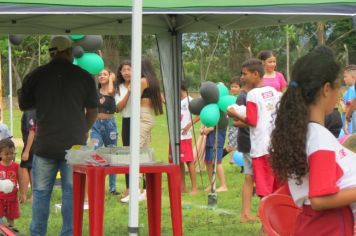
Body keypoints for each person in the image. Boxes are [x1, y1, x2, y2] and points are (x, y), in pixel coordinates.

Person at [269, 46, 356, 235]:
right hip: (328, 227)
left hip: (312, 225)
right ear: (326, 89)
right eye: (338, 86)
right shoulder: (318, 138)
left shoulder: (302, 132)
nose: (340, 93)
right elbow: (319, 199)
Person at [18, 35, 98, 236]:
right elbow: (93, 110)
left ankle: (37, 234)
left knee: (41, 194)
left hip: (45, 144)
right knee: (71, 195)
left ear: (51, 53)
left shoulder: (36, 75)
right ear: (69, 52)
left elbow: (24, 104)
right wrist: (84, 129)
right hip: (75, 146)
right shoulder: (84, 76)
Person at [227, 58, 280, 198]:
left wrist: (234, 113)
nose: (242, 78)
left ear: (255, 74)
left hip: (261, 148)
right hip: (275, 146)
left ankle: (266, 219)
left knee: (264, 192)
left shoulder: (252, 94)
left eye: (245, 74)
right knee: (276, 188)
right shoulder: (274, 91)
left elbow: (252, 120)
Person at [120, 58, 163, 203]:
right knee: (143, 153)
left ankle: (135, 190)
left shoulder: (142, 81)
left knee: (135, 152)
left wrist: (131, 88)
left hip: (142, 117)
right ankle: (144, 190)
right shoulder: (152, 80)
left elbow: (135, 97)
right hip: (147, 116)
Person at [228, 77, 258, 223]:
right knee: (251, 177)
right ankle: (246, 214)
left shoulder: (255, 93)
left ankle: (249, 213)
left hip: (255, 141)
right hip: (249, 141)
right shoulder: (243, 96)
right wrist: (255, 123)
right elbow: (236, 121)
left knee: (251, 177)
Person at [90, 68, 119, 195]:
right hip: (96, 125)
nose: (101, 76)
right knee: (95, 150)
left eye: (105, 74)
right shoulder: (95, 92)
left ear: (110, 77)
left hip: (110, 125)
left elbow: (111, 91)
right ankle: (95, 184)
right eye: (100, 74)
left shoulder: (113, 90)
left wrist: (112, 80)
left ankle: (112, 188)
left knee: (111, 154)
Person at [171, 81, 198, 195]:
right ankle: (183, 187)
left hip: (185, 137)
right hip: (175, 135)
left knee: (188, 161)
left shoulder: (190, 101)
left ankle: (194, 188)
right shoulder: (177, 101)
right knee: (179, 161)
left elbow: (200, 114)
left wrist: (188, 125)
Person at [115, 60, 132, 199]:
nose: (126, 72)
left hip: (140, 120)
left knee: (142, 153)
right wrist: (129, 92)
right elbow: (118, 107)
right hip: (127, 120)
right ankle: (129, 188)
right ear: (120, 73)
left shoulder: (142, 83)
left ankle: (143, 188)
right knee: (128, 154)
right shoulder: (119, 87)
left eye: (129, 69)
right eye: (124, 70)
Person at [0, 138, 24, 227]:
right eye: (6, 154)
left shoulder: (16, 166)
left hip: (12, 199)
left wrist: (22, 193)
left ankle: (10, 233)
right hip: (0, 199)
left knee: (11, 221)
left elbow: (21, 180)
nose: (10, 156)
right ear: (0, 154)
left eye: (12, 153)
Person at [222, 77, 241, 162]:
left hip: (241, 124)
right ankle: (217, 158)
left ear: (240, 88)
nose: (233, 88)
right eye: (232, 86)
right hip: (232, 124)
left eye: (236, 86)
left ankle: (242, 167)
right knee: (231, 146)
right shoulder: (228, 99)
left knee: (241, 146)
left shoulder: (241, 98)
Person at [203, 126, 228, 193]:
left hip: (217, 139)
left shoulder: (222, 115)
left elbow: (221, 123)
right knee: (208, 162)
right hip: (209, 139)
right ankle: (212, 184)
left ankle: (223, 185)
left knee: (217, 162)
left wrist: (208, 129)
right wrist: (203, 129)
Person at [19, 109, 36, 203]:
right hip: (36, 144)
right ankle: (33, 195)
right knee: (31, 167)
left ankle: (24, 195)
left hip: (32, 144)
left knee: (24, 167)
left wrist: (26, 151)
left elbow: (32, 131)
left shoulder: (30, 111)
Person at [342, 65, 356, 135]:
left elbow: (348, 107)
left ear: (353, 77)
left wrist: (345, 123)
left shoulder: (351, 89)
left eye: (345, 77)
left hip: (350, 124)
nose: (344, 79)